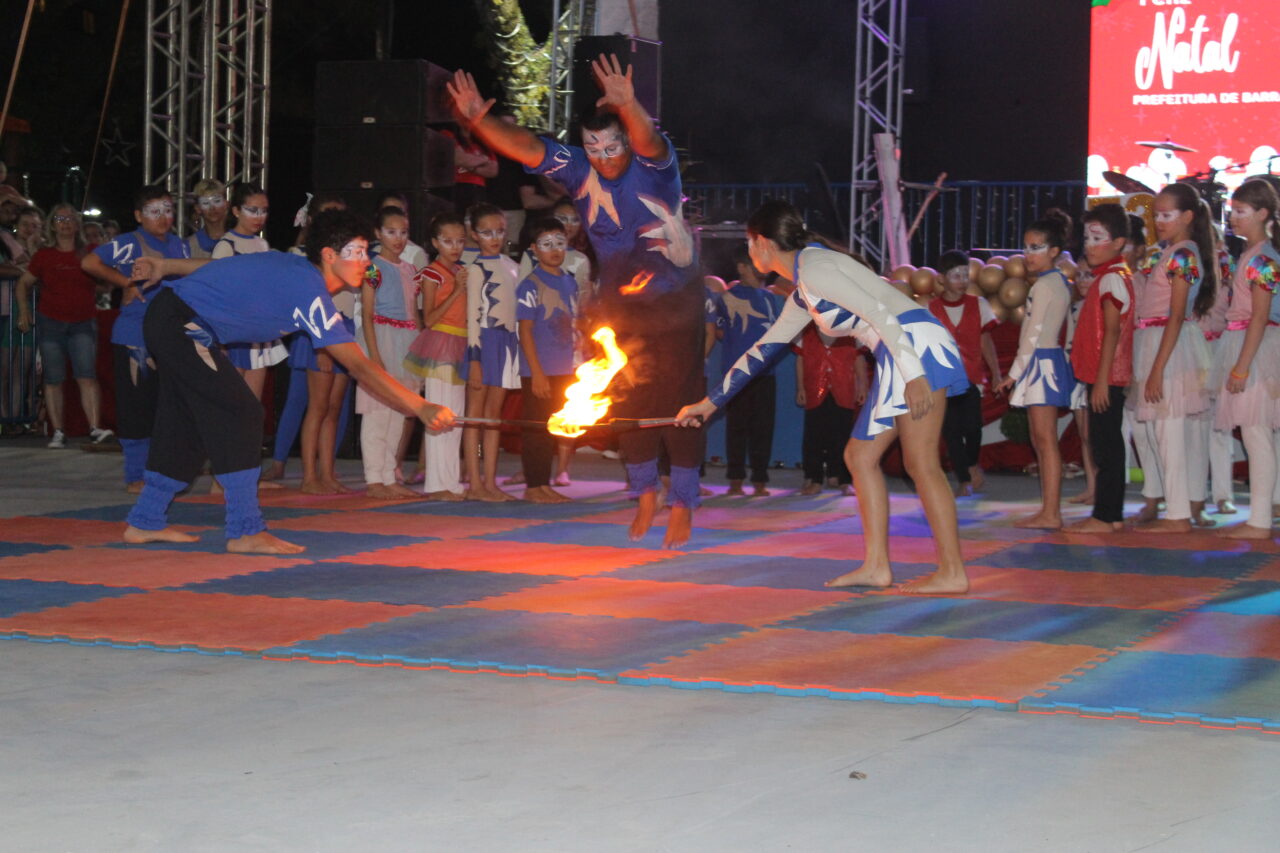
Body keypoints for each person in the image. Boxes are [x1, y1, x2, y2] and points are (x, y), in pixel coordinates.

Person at [449, 54, 704, 547]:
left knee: (680, 405)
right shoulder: (576, 168)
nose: (604, 154)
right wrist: (480, 119)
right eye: (594, 146)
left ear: (625, 141)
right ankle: (646, 491)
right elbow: (526, 146)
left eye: (612, 145)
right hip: (621, 308)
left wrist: (630, 107)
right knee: (631, 402)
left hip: (676, 303)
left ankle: (685, 502)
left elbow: (648, 136)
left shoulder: (655, 167)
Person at [677, 200, 971, 594]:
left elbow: (881, 312)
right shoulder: (805, 287)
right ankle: (876, 566)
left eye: (749, 242)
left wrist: (914, 375)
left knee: (922, 463)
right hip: (899, 349)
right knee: (860, 456)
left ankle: (953, 572)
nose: (747, 252)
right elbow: (763, 350)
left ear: (762, 243)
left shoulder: (815, 269)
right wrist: (708, 403)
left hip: (913, 346)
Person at [122, 208, 454, 553]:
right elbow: (361, 366)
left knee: (186, 424)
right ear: (328, 256)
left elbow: (222, 268)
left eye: (365, 254)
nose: (364, 264)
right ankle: (245, 529)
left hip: (177, 323)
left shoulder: (294, 271)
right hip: (179, 324)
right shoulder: (307, 289)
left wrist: (167, 266)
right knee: (242, 414)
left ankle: (145, 521)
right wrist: (421, 405)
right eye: (355, 254)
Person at [81, 185, 190, 491]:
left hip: (169, 336)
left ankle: (160, 472)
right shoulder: (129, 243)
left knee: (165, 406)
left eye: (168, 210)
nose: (164, 217)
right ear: (139, 216)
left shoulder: (179, 245)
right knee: (136, 407)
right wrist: (125, 282)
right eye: (155, 211)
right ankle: (135, 475)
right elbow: (89, 263)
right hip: (135, 337)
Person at [1130, 183, 1216, 532]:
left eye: (1166, 215)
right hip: (1155, 341)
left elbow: (1177, 315)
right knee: (1156, 431)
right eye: (1156, 215)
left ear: (1188, 217)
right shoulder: (1170, 253)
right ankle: (1172, 503)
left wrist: (1157, 370)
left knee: (1170, 432)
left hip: (1169, 346)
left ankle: (1179, 513)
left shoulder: (1183, 255)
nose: (1159, 221)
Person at [995, 213, 1074, 529]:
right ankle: (1049, 509)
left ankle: (1051, 512)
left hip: (1041, 362)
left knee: (1044, 441)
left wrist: (1013, 374)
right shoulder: (1055, 282)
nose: (1028, 254)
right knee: (1042, 441)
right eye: (1026, 247)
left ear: (1054, 251)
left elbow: (1032, 333)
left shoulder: (1046, 285)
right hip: (1044, 360)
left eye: (1036, 247)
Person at [1062, 203, 1135, 533]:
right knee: (1107, 444)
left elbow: (1113, 333)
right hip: (1103, 373)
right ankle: (1111, 514)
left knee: (1106, 447)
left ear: (1118, 243)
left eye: (1097, 237)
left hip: (1106, 375)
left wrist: (1103, 381)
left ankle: (1105, 516)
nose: (1089, 245)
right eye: (1087, 237)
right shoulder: (1110, 277)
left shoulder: (1112, 281)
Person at [14, 203, 111, 447]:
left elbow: (108, 279)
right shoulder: (44, 255)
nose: (65, 223)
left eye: (70, 218)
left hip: (83, 322)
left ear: (77, 223)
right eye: (60, 218)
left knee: (86, 375)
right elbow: (23, 283)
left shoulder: (89, 251)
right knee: (53, 378)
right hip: (51, 322)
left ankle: (94, 428)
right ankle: (57, 430)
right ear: (52, 224)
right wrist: (25, 311)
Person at [1214, 180, 1280, 539]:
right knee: (1258, 432)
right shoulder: (1254, 255)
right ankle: (1263, 512)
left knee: (1257, 433)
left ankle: (1260, 520)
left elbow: (1259, 316)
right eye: (1232, 211)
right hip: (1248, 342)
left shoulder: (1263, 259)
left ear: (1263, 214)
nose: (1233, 218)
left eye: (1240, 212)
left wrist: (1242, 366)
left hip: (1256, 347)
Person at [357, 206, 423, 500]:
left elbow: (414, 312)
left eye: (403, 232)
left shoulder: (409, 268)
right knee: (376, 413)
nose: (398, 238)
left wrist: (420, 349)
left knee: (399, 411)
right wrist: (374, 354)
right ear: (377, 233)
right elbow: (367, 313)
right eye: (391, 232)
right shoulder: (372, 267)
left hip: (406, 340)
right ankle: (374, 477)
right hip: (381, 338)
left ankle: (390, 473)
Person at [404, 213, 469, 500]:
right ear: (434, 243)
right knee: (440, 414)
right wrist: (456, 291)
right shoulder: (432, 273)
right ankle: (437, 483)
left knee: (457, 417)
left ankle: (451, 482)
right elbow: (428, 318)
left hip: (460, 343)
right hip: (440, 342)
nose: (455, 247)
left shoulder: (460, 270)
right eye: (447, 241)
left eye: (460, 241)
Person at [516, 217, 579, 503]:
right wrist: (536, 373)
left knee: (553, 426)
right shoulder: (530, 285)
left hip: (565, 367)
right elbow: (525, 330)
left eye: (560, 243)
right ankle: (534, 486)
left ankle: (544, 483)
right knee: (536, 428)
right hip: (539, 368)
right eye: (546, 244)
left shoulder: (570, 281)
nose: (554, 250)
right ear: (534, 250)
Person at [928, 250, 1001, 496]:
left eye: (965, 275)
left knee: (972, 428)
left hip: (971, 378)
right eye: (955, 275)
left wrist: (997, 373)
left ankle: (971, 464)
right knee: (951, 432)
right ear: (941, 279)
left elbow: (986, 342)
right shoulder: (930, 309)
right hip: (943, 381)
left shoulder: (978, 305)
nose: (962, 280)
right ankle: (963, 479)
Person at [462, 203, 520, 501]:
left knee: (493, 416)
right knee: (475, 416)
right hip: (482, 342)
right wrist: (474, 360)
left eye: (499, 231)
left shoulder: (514, 266)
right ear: (474, 234)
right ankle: (474, 482)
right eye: (486, 232)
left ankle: (490, 481)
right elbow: (472, 317)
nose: (494, 237)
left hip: (507, 343)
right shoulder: (475, 269)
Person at [715, 244, 783, 496]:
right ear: (742, 267)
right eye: (752, 263)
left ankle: (760, 480)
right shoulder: (727, 297)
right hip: (737, 373)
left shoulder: (771, 299)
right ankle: (735, 478)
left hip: (765, 373)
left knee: (763, 427)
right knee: (737, 426)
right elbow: (719, 329)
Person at [213, 183, 288, 400]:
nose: (259, 216)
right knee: (231, 405)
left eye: (264, 210)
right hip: (234, 334)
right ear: (236, 211)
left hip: (258, 332)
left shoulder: (262, 244)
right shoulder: (226, 246)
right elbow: (216, 298)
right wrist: (221, 341)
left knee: (252, 407)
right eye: (252, 210)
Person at [794, 323, 867, 496]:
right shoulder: (806, 332)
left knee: (842, 436)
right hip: (815, 390)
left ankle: (843, 478)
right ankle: (814, 478)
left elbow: (858, 359)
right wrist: (801, 388)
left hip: (843, 389)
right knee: (813, 437)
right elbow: (801, 360)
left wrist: (863, 385)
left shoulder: (852, 332)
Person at [186, 179, 229, 258]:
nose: (212, 208)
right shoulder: (189, 245)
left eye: (217, 201)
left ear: (226, 204)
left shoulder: (238, 240)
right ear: (198, 208)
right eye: (205, 203)